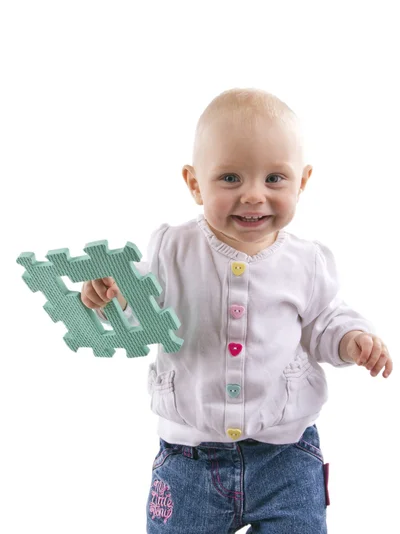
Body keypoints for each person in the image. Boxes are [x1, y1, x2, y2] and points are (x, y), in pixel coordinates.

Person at [81, 88, 393, 533]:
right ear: (194, 183)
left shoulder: (307, 262)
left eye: (274, 179)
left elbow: (325, 321)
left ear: (302, 182)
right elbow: (142, 313)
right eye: (230, 178)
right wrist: (113, 296)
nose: (252, 195)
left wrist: (351, 340)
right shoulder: (173, 250)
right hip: (189, 458)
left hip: (286, 455)